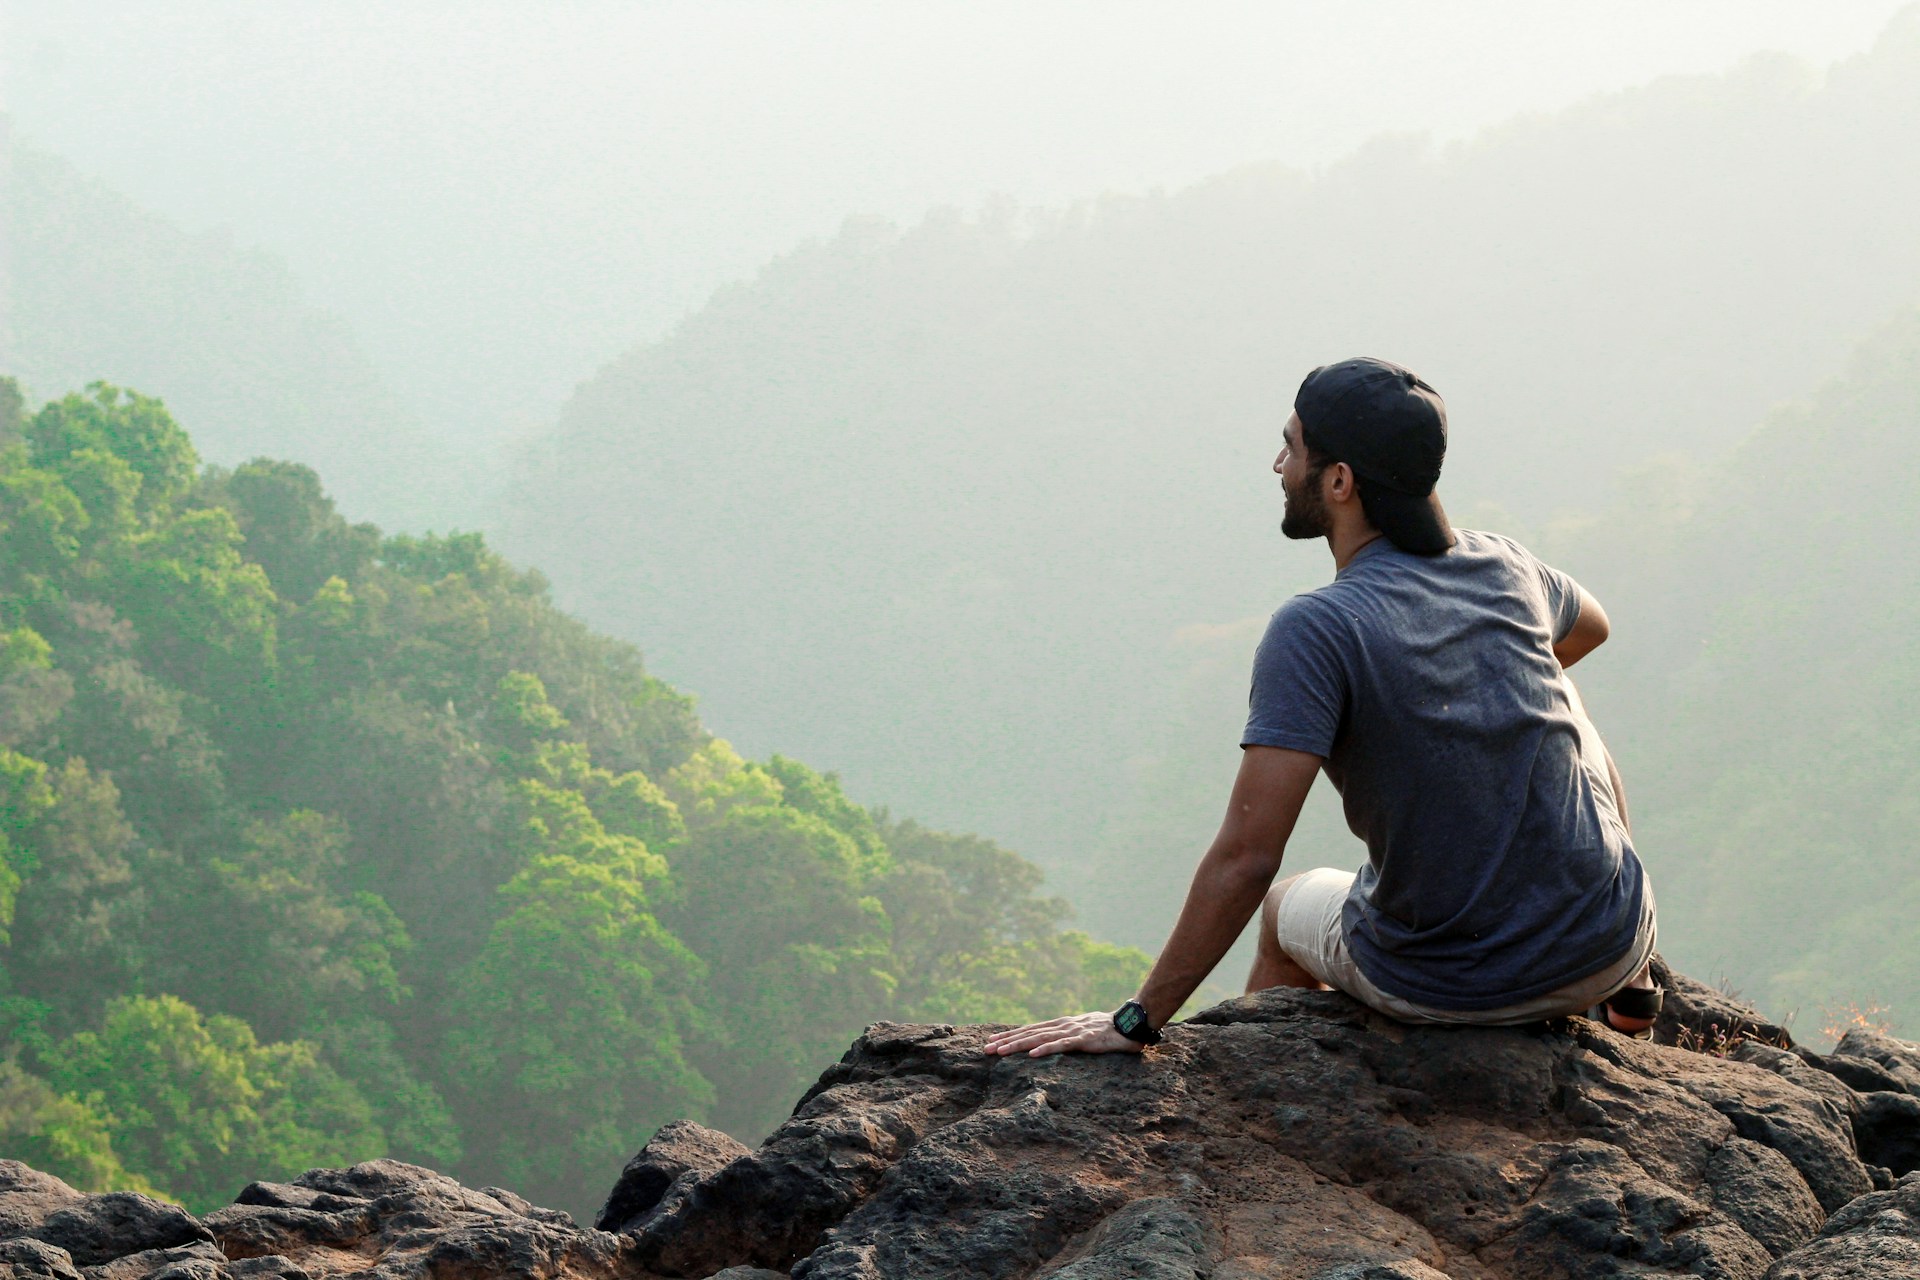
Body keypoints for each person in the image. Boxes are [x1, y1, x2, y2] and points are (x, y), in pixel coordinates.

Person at [986, 357, 1660, 1060]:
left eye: (1293, 447)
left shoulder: (1320, 627)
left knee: (1283, 907)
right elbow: (1592, 629)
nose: (1279, 464)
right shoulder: (1507, 565)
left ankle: (1250, 1086)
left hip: (1454, 988)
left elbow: (1247, 856)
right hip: (1608, 942)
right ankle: (1635, 985)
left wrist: (1137, 1019)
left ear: (1339, 481)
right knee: (1558, 690)